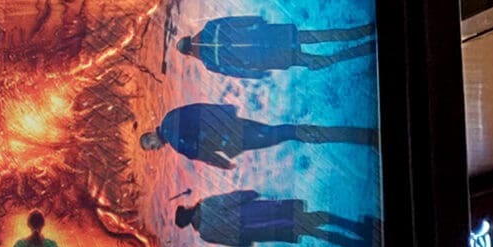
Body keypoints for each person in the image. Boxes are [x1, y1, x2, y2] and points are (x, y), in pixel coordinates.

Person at [140, 102, 378, 167]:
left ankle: (355, 136)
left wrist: (224, 163)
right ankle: (353, 134)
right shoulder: (169, 117)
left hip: (232, 139)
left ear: (151, 137)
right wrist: (225, 112)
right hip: (232, 123)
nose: (155, 149)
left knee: (281, 135)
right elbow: (199, 108)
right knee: (278, 130)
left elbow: (202, 153)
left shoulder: (176, 142)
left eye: (151, 146)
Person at [171, 192, 379, 247]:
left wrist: (246, 240)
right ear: (187, 210)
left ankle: (355, 245)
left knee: (308, 230)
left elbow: (233, 241)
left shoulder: (205, 234)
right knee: (315, 217)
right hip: (259, 213)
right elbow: (232, 198)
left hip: (259, 231)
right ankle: (358, 228)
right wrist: (250, 194)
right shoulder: (206, 206)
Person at [176, 16, 373, 78]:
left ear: (189, 54)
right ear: (190, 38)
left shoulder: (209, 63)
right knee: (320, 36)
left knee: (315, 61)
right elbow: (237, 21)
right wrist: (256, 20)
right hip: (271, 35)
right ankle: (364, 31)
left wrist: (256, 74)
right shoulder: (210, 27)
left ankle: (360, 50)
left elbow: (236, 71)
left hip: (269, 58)